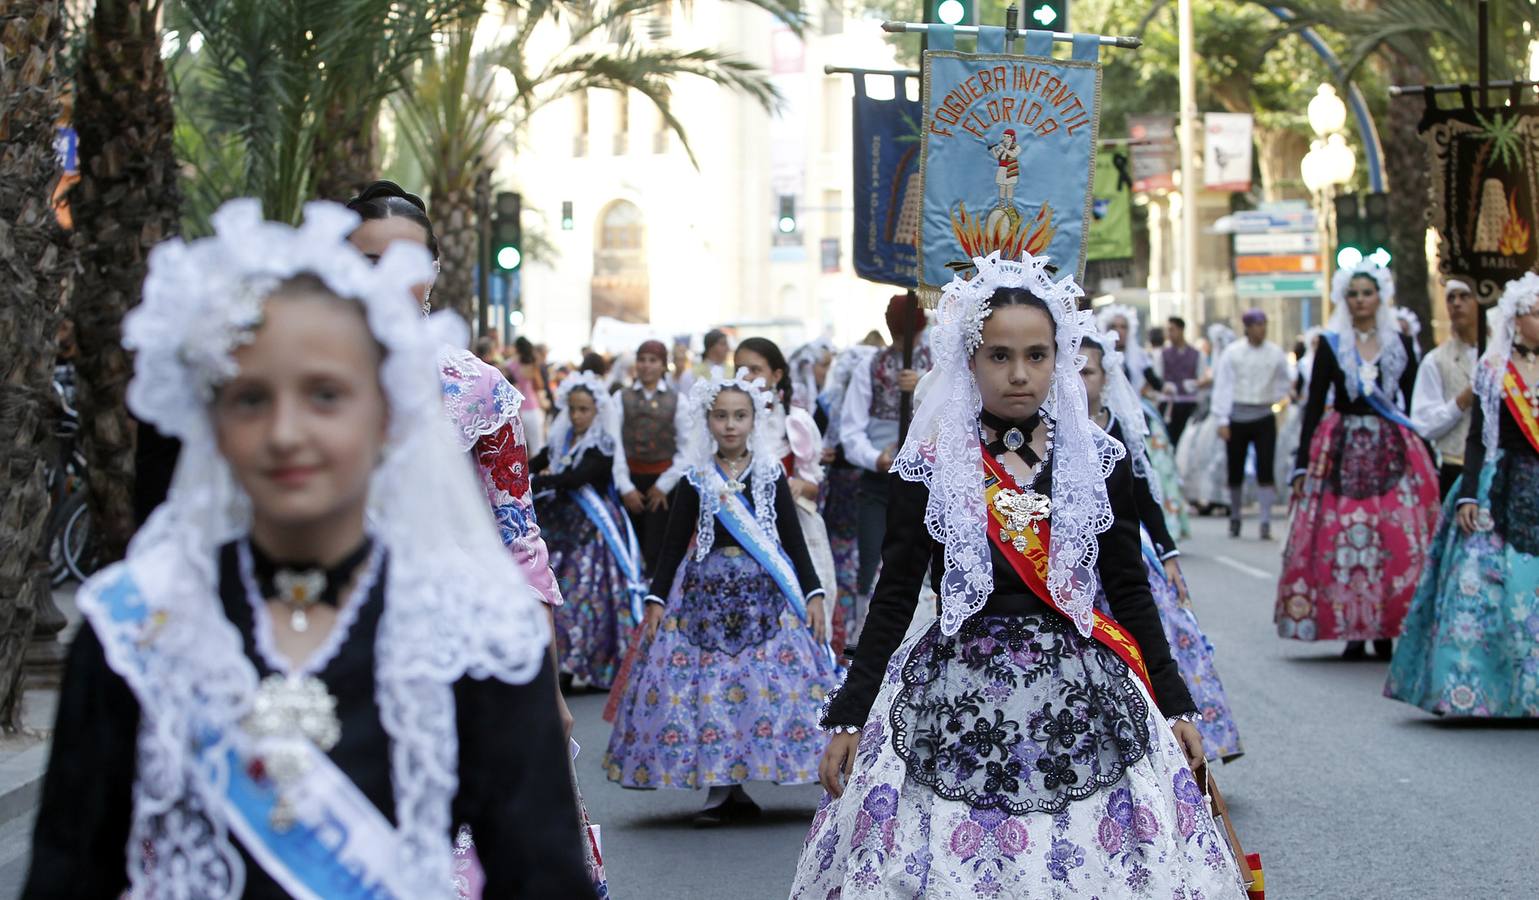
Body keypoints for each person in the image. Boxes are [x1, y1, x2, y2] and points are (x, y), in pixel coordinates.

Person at [23, 201, 595, 900]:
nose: (286, 432)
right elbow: (68, 874)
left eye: (326, 395)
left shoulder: (475, 637)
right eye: (250, 399)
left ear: (386, 415)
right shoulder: (134, 628)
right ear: (211, 421)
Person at [791, 252, 1243, 898]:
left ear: (1058, 359)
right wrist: (849, 715)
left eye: (1036, 355)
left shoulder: (1096, 460)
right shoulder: (929, 464)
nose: (1018, 374)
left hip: (1081, 688)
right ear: (967, 362)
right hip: (951, 687)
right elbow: (893, 597)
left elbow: (1128, 592)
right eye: (998, 356)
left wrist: (1174, 704)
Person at [344, 181, 603, 893]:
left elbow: (520, 541)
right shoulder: (303, 383)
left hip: (455, 649)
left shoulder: (479, 390)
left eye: (408, 262)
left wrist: (546, 686)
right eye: (369, 261)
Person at [602, 368, 836, 825]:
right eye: (722, 416)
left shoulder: (769, 474)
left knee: (759, 689)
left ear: (755, 421)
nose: (730, 425)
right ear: (707, 421)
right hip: (703, 600)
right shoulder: (696, 477)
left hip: (764, 598)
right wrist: (654, 599)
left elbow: (791, 540)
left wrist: (812, 594)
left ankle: (746, 778)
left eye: (740, 416)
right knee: (709, 692)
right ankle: (720, 787)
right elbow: (671, 546)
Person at [1083, 331, 1244, 762]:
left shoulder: (1119, 432)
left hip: (1125, 555)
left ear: (1105, 376)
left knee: (1170, 634)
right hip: (1075, 566)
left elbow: (1146, 497)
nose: (1081, 380)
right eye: (1072, 370)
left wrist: (1169, 554)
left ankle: (1189, 733)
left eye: (1089, 371)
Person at [1386, 272, 1539, 717]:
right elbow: (1477, 438)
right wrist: (1469, 495)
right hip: (1501, 484)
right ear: (1516, 319)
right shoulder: (1494, 370)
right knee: (1481, 589)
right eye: (1535, 313)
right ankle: (1475, 692)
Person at [1276, 262, 1440, 659]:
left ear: (1380, 296)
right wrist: (1302, 465)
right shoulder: (1331, 344)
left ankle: (1385, 629)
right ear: (1343, 299)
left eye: (1367, 292)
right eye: (1353, 293)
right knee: (1342, 536)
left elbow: (1415, 400)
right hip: (1341, 449)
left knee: (1390, 536)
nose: (1361, 300)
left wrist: (1427, 456)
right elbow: (1313, 408)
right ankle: (1351, 627)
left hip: (1391, 448)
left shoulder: (1398, 342)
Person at [530, 372, 646, 691]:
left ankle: (598, 663)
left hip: (594, 533)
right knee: (561, 589)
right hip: (562, 528)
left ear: (597, 411)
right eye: (573, 409)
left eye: (584, 409)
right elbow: (537, 461)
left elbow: (578, 477)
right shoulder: (561, 439)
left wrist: (543, 480)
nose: (578, 416)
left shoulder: (601, 445)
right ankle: (565, 663)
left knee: (588, 593)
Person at [839, 296, 933, 653]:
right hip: (880, 483)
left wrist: (922, 388)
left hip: (928, 481)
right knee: (871, 567)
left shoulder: (937, 364)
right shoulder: (872, 365)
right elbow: (852, 431)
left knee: (925, 565)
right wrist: (876, 458)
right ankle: (869, 645)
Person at [737, 337, 838, 636]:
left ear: (776, 375)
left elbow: (814, 487)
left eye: (755, 369)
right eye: (739, 369)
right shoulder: (731, 423)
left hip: (793, 529)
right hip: (741, 529)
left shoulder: (796, 422)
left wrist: (794, 485)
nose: (747, 377)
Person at [817, 343, 879, 658]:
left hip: (866, 490)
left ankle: (861, 626)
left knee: (866, 561)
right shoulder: (829, 406)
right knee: (844, 562)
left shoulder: (875, 407)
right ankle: (846, 630)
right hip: (842, 495)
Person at [612, 339, 692, 573]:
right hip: (630, 480)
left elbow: (686, 448)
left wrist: (664, 485)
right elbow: (614, 444)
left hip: (664, 485)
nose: (646, 366)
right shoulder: (621, 398)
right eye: (642, 360)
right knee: (630, 548)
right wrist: (625, 487)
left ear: (663, 365)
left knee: (659, 549)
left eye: (653, 360)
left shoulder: (678, 401)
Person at [1211, 309, 1290, 540]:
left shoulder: (1275, 353)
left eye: (1264, 324)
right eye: (1256, 325)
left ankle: (1265, 520)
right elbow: (1223, 386)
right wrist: (1222, 418)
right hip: (1237, 415)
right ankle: (1235, 514)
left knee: (1265, 467)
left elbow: (1284, 380)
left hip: (1264, 414)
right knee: (1235, 468)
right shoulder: (1233, 353)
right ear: (1247, 328)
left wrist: (1279, 398)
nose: (1261, 329)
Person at [1411, 279, 1480, 498]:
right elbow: (1424, 424)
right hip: (1456, 469)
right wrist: (1460, 402)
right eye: (1451, 298)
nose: (1456, 304)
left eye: (1464, 296)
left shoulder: (1504, 355)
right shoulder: (1436, 361)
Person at [1097, 303, 1164, 397]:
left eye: (1123, 327)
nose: (1118, 331)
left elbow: (1155, 383)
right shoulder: (1098, 354)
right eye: (1113, 326)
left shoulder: (1140, 356)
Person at [1160, 315, 1203, 445]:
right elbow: (1158, 378)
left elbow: (1201, 377)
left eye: (1172, 329)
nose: (1169, 334)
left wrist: (1195, 384)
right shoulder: (1163, 354)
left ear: (1181, 330)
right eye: (1168, 330)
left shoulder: (1196, 354)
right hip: (1170, 405)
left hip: (1190, 405)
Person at [507, 336, 549, 455]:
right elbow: (539, 385)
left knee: (519, 449)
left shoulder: (510, 364)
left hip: (515, 409)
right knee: (537, 446)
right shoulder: (531, 364)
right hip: (532, 407)